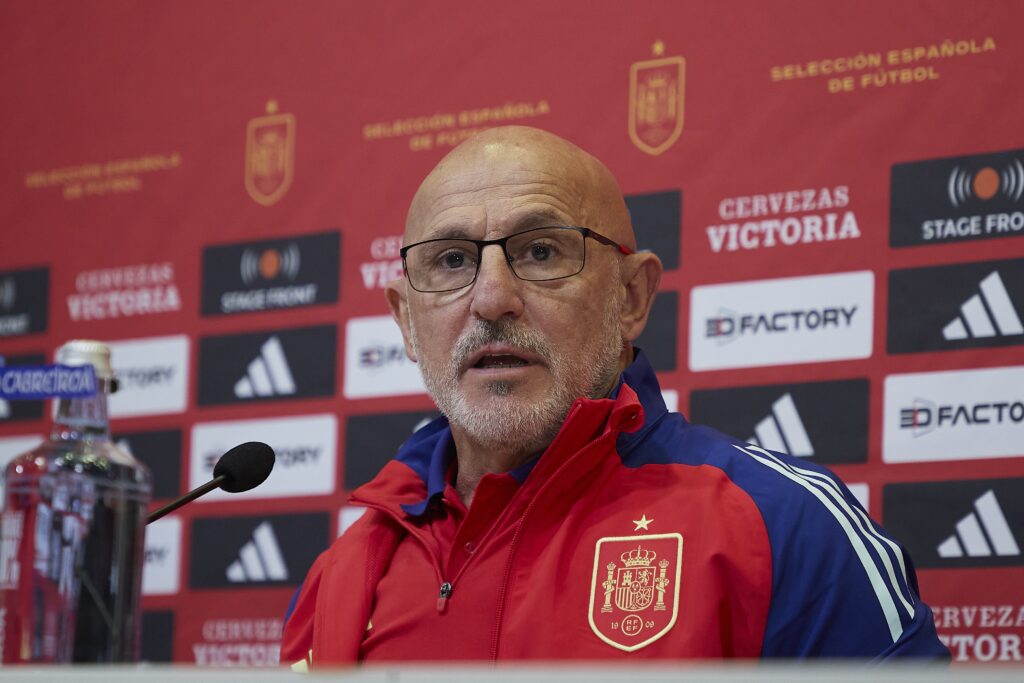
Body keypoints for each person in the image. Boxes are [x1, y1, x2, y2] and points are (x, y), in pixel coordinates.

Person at [281, 126, 948, 666]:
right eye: (452, 261)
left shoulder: (782, 526)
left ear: (631, 297)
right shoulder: (344, 570)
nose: (491, 298)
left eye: (540, 251)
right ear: (405, 319)